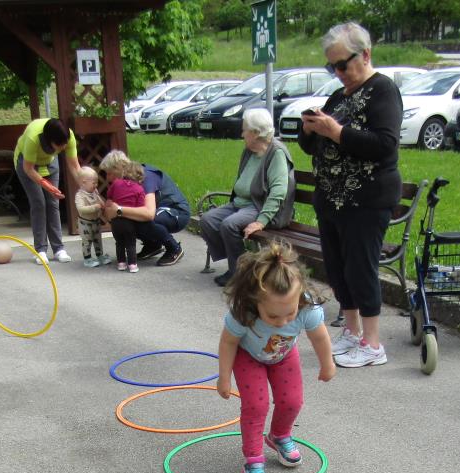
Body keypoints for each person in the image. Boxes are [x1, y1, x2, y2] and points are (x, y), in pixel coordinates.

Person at [298, 22, 402, 368]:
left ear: (365, 54)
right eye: (332, 67)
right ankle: (353, 332)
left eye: (343, 64)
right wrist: (310, 129)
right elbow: (312, 146)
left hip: (366, 199)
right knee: (338, 269)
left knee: (360, 269)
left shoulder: (383, 90)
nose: (338, 73)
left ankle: (373, 344)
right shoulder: (339, 96)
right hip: (332, 199)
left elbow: (385, 144)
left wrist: (337, 132)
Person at [216, 242, 335, 473]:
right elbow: (228, 342)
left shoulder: (306, 307)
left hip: (283, 356)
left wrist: (327, 364)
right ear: (255, 301)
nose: (282, 322)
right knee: (256, 406)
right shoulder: (243, 311)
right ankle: (253, 460)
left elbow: (319, 337)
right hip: (248, 357)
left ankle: (279, 436)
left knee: (292, 401)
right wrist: (224, 377)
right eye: (272, 316)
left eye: (289, 314)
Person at [200, 108, 296, 287]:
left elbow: (278, 191)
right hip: (241, 203)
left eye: (245, 130)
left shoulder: (276, 153)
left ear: (256, 133)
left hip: (260, 206)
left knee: (229, 225)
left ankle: (239, 273)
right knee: (208, 220)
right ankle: (241, 264)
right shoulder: (250, 151)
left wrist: (261, 221)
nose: (242, 133)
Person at [99, 149, 189, 267]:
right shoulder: (124, 182)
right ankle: (152, 245)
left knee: (142, 220)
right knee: (126, 219)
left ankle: (174, 248)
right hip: (159, 211)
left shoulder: (144, 176)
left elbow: (149, 213)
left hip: (177, 212)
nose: (107, 178)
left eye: (109, 173)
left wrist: (119, 210)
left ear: (120, 168)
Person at [13, 118, 82, 263]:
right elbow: (28, 169)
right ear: (49, 140)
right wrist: (48, 186)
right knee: (39, 204)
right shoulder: (33, 137)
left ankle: (59, 249)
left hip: (49, 162)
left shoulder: (67, 136)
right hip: (27, 165)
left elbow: (75, 167)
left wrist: (85, 186)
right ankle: (40, 250)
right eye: (59, 145)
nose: (63, 147)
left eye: (65, 144)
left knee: (53, 203)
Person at [106, 162, 147, 273]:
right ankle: (132, 264)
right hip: (129, 221)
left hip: (115, 220)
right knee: (130, 243)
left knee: (119, 242)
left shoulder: (116, 183)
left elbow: (109, 195)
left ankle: (121, 263)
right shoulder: (139, 189)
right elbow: (140, 206)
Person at [73, 166, 111, 268]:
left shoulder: (94, 192)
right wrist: (94, 207)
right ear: (84, 183)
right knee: (87, 241)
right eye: (93, 183)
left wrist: (102, 204)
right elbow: (81, 209)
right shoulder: (80, 196)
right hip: (85, 223)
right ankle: (87, 258)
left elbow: (99, 200)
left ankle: (100, 255)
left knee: (98, 239)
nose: (96, 185)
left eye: (96, 183)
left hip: (96, 221)